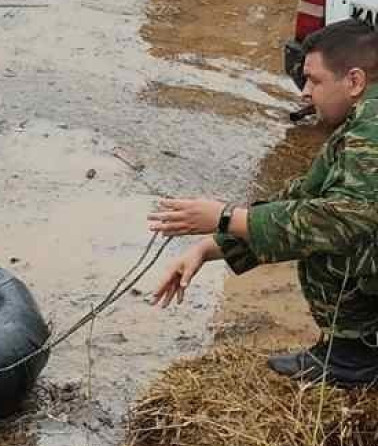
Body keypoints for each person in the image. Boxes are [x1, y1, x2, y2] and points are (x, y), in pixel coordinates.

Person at [151, 19, 378, 387]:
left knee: (325, 237)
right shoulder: (361, 123)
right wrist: (208, 247)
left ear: (354, 81)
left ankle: (355, 356)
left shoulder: (373, 127)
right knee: (306, 215)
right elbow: (305, 194)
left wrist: (224, 217)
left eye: (314, 80)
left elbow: (341, 221)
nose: (304, 93)